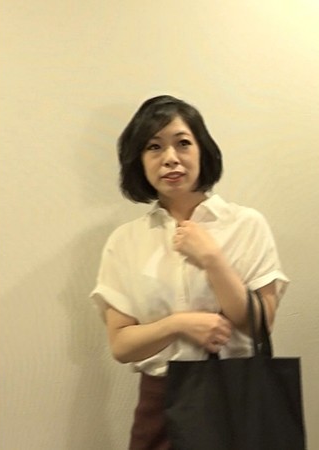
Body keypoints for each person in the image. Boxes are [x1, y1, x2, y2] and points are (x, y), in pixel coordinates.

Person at [89, 95, 289, 450]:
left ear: (202, 150)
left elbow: (260, 324)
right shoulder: (126, 241)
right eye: (154, 147)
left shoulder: (246, 224)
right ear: (139, 160)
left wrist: (212, 259)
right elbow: (121, 345)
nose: (170, 158)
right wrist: (178, 324)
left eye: (183, 143)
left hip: (235, 397)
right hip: (159, 405)